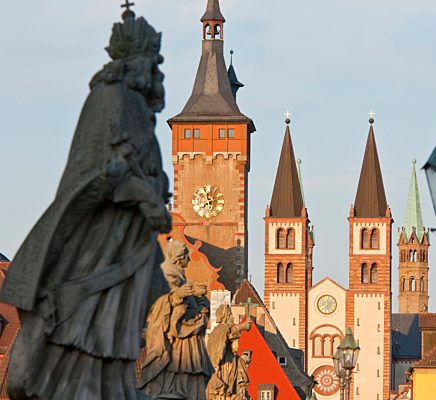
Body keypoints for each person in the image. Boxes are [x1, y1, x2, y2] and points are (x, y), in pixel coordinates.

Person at [0, 9, 170, 400]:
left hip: (127, 242)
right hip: (98, 242)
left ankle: (112, 385)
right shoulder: (111, 99)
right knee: (88, 318)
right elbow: (105, 172)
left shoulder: (136, 108)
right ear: (134, 62)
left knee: (117, 325)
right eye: (152, 63)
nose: (156, 73)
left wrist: (152, 190)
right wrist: (146, 199)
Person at [140, 241, 213, 400]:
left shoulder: (179, 275)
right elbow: (158, 303)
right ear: (178, 258)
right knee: (176, 378)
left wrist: (199, 300)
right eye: (186, 255)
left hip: (187, 341)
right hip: (176, 341)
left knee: (189, 378)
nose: (190, 258)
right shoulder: (167, 274)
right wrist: (178, 295)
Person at [206, 305, 252, 400]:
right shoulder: (221, 330)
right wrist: (241, 327)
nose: (232, 317)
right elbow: (228, 335)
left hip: (227, 365)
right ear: (225, 317)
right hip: (223, 367)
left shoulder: (220, 330)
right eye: (230, 314)